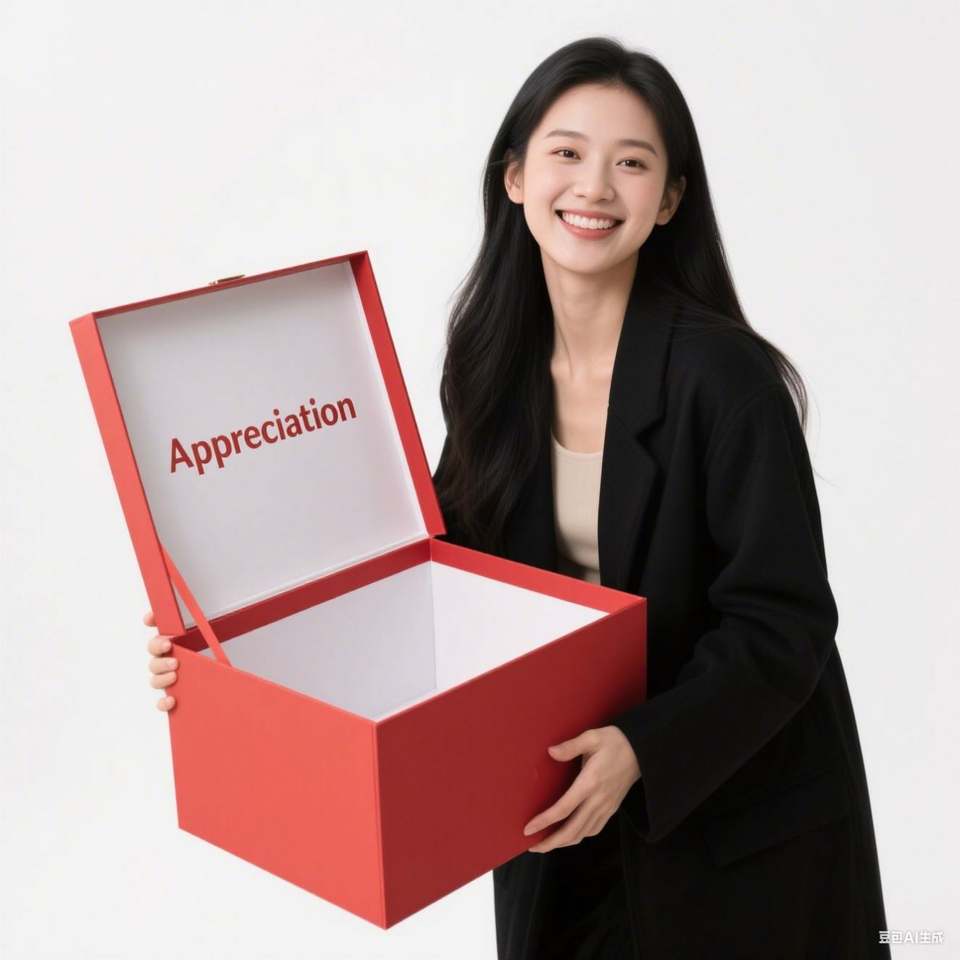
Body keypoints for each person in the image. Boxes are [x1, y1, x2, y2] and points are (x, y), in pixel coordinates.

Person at [145, 36, 890, 960]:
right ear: (514, 177)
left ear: (669, 201)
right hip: (558, 817)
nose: (594, 187)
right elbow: (441, 574)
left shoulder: (724, 378)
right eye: (567, 152)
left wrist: (644, 747)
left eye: (632, 163)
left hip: (726, 822)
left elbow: (784, 621)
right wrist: (226, 649)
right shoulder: (490, 368)